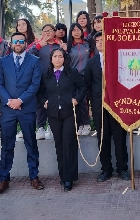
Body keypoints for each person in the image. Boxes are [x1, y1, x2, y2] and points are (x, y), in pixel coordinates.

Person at [0, 32, 44, 195]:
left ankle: (34, 176)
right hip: (8, 110)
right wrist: (9, 101)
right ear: (11, 43)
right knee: (7, 145)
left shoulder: (34, 61)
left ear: (25, 43)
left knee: (31, 143)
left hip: (27, 108)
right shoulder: (3, 62)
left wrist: (20, 100)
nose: (18, 43)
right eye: (15, 41)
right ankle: (4, 179)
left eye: (21, 41)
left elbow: (35, 84)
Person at [84, 32, 131, 182]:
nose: (100, 43)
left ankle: (122, 169)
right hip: (99, 106)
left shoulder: (118, 59)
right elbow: (88, 86)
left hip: (117, 105)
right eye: (97, 41)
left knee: (119, 138)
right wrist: (91, 105)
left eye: (102, 40)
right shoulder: (91, 63)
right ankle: (106, 169)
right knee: (103, 139)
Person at [39, 48, 87, 191]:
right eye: (55, 56)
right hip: (53, 114)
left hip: (70, 113)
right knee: (59, 144)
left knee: (69, 143)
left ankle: (69, 178)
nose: (58, 59)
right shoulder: (46, 75)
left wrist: (77, 99)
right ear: (51, 58)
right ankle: (63, 175)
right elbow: (40, 92)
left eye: (61, 56)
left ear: (64, 59)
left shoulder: (71, 73)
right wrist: (44, 101)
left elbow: (83, 87)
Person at [27, 23, 66, 140]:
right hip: (40, 78)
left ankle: (52, 126)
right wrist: (38, 46)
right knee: (41, 102)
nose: (48, 32)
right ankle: (41, 127)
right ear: (41, 33)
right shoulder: (36, 44)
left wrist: (65, 50)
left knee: (54, 101)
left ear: (54, 33)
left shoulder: (59, 44)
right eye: (45, 30)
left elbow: (66, 59)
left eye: (50, 30)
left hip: (56, 78)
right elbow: (28, 57)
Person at [67, 22, 93, 136]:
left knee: (84, 101)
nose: (76, 32)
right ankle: (80, 124)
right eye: (74, 30)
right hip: (73, 77)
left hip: (86, 76)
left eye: (78, 30)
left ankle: (86, 124)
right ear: (71, 33)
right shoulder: (68, 47)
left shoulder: (87, 44)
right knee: (77, 100)